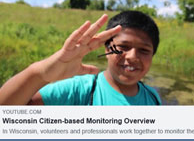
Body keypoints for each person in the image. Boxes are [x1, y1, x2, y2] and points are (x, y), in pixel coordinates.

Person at [0, 11, 161, 105]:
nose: (132, 56)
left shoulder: (153, 97)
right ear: (107, 47)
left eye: (144, 50)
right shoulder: (81, 90)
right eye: (123, 47)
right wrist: (41, 73)